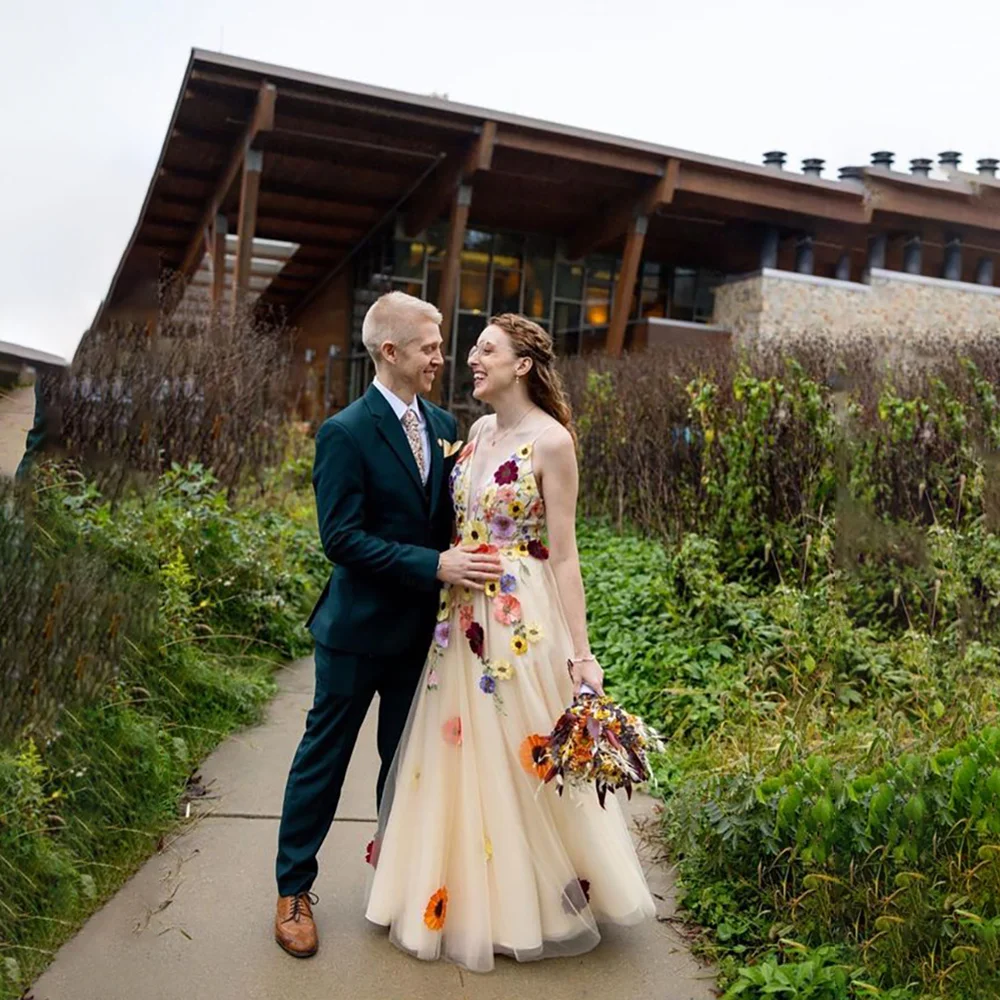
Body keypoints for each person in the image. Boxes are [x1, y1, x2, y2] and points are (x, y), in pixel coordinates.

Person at [365, 313, 656, 972]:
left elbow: (565, 553)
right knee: (456, 756)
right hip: (459, 618)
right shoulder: (475, 432)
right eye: (471, 348)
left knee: (518, 754)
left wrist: (583, 656)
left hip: (520, 624)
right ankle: (464, 895)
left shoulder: (553, 443)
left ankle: (536, 903)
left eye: (486, 349)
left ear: (523, 364)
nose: (471, 358)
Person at [274, 291, 503, 958]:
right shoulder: (343, 432)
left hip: (423, 639)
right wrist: (436, 564)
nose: (442, 354)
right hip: (353, 635)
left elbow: (453, 519)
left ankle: (394, 883)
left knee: (406, 768)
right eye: (430, 344)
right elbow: (340, 538)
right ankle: (293, 889)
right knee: (323, 762)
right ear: (390, 351)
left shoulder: (443, 422)